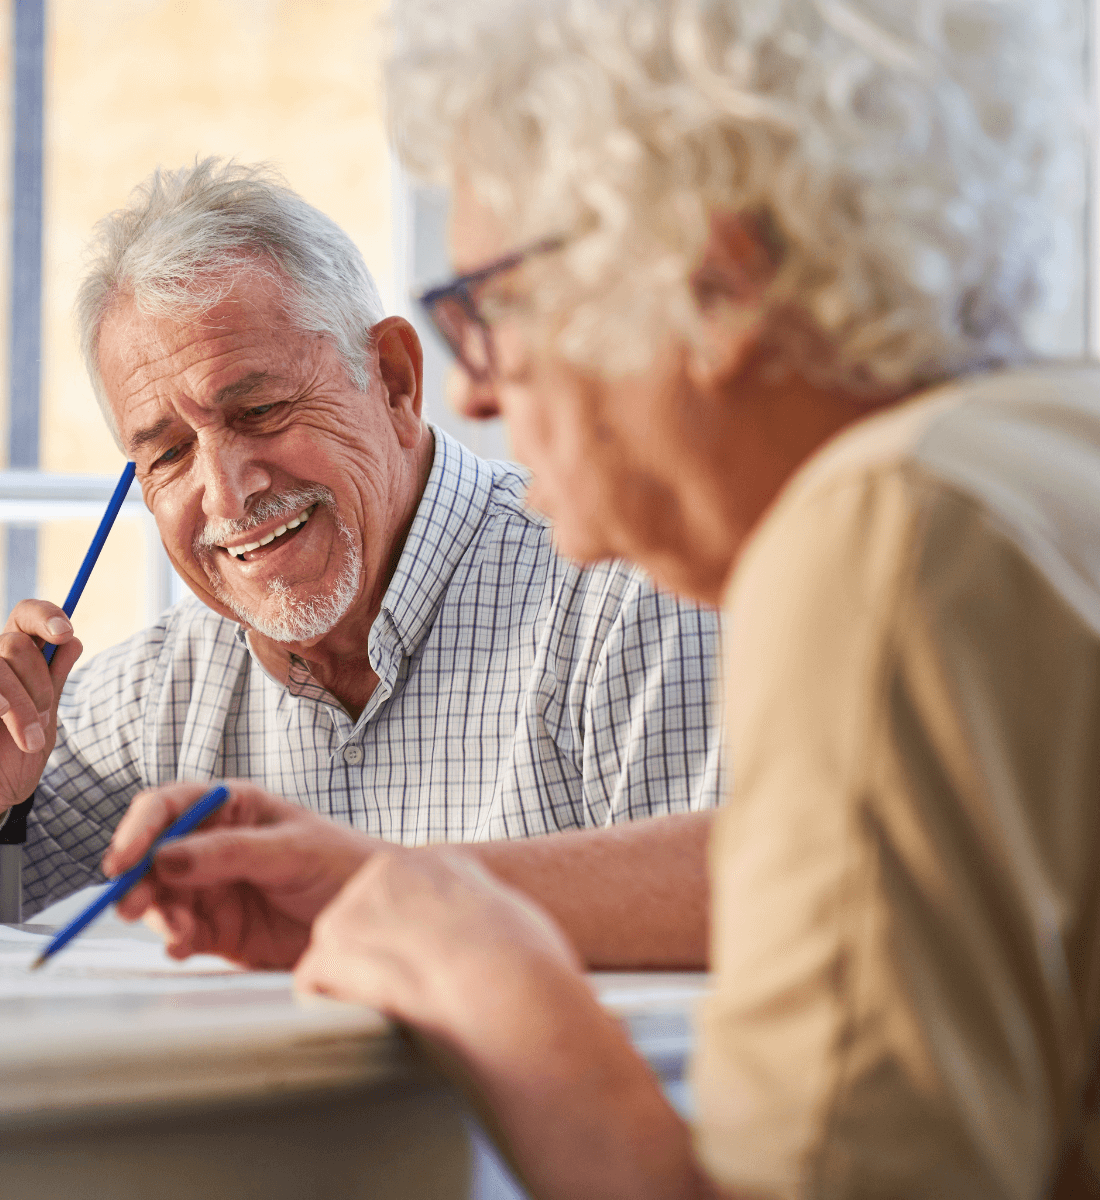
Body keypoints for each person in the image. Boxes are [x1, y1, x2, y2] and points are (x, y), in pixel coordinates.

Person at [108, 0, 1100, 1194]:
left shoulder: (877, 533)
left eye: (494, 307)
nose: (475, 399)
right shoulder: (1036, 462)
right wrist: (405, 887)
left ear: (713, 280)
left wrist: (491, 985)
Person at [0, 159, 721, 968]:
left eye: (261, 411)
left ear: (395, 381)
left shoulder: (627, 600)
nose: (229, 494)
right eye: (165, 454)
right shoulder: (174, 683)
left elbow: (742, 927)